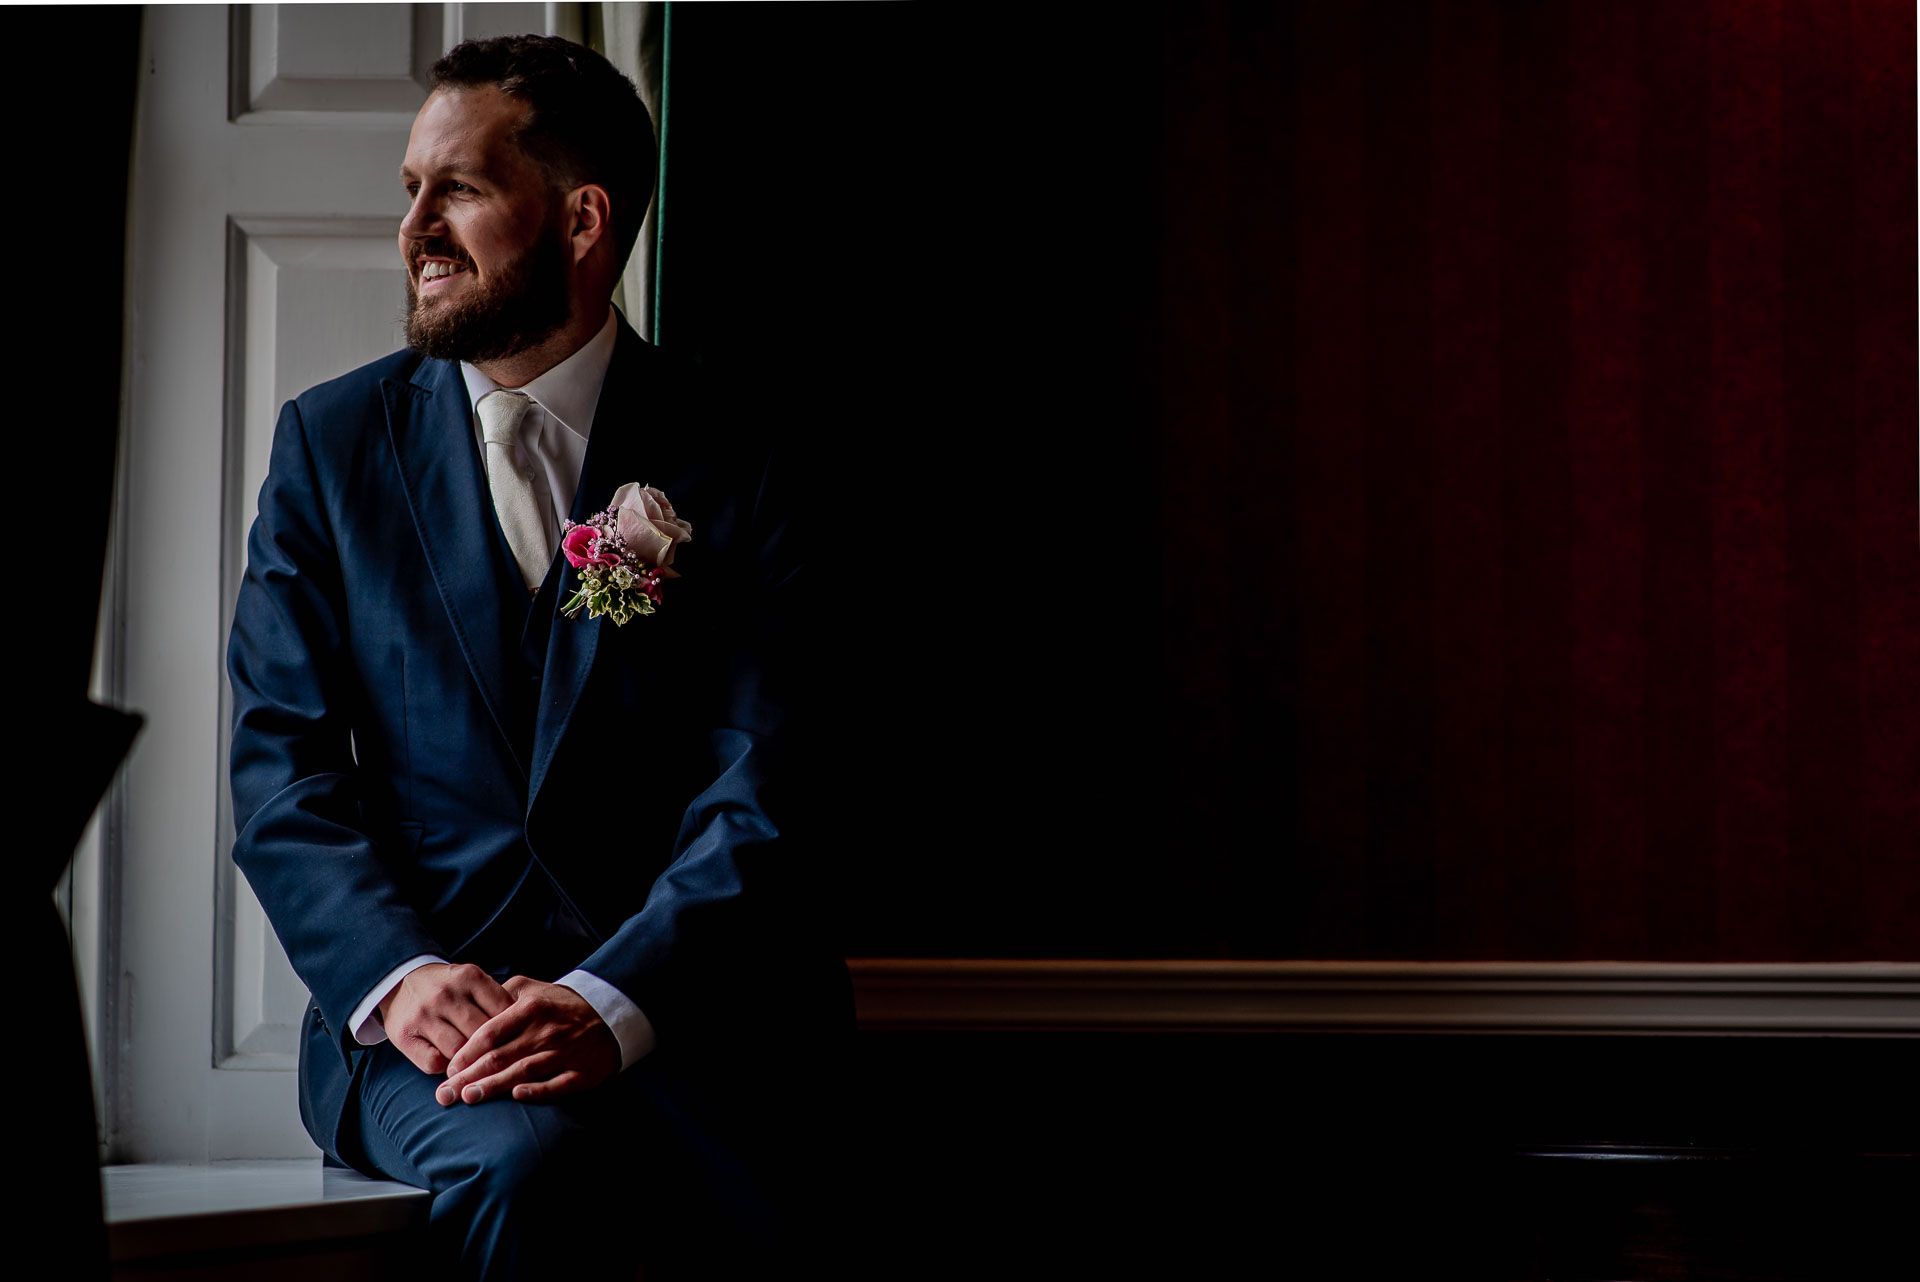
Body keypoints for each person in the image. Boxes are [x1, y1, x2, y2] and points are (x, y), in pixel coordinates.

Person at [225, 33, 851, 1280]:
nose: (415, 228)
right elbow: (280, 770)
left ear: (580, 219)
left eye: (454, 187)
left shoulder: (744, 456)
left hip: (691, 1017)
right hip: (426, 1030)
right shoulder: (331, 446)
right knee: (530, 1169)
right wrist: (399, 978)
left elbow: (770, 777)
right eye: (410, 189)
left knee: (757, 1193)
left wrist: (615, 1000)